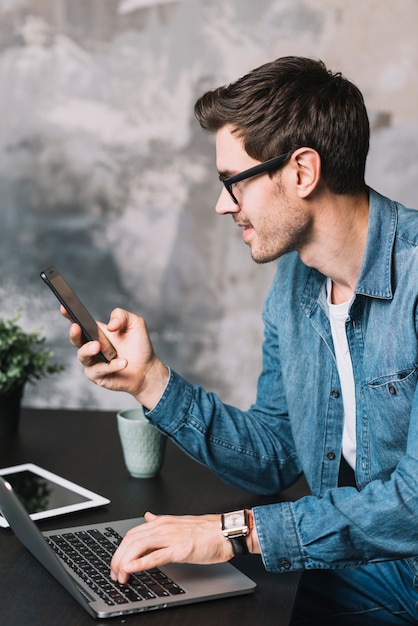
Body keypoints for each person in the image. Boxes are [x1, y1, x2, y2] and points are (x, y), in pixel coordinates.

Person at [66, 56, 418, 624]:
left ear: (302, 172)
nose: (222, 203)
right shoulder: (294, 284)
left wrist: (233, 531)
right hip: (367, 568)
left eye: (234, 181)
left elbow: (414, 506)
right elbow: (276, 455)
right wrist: (150, 382)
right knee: (151, 587)